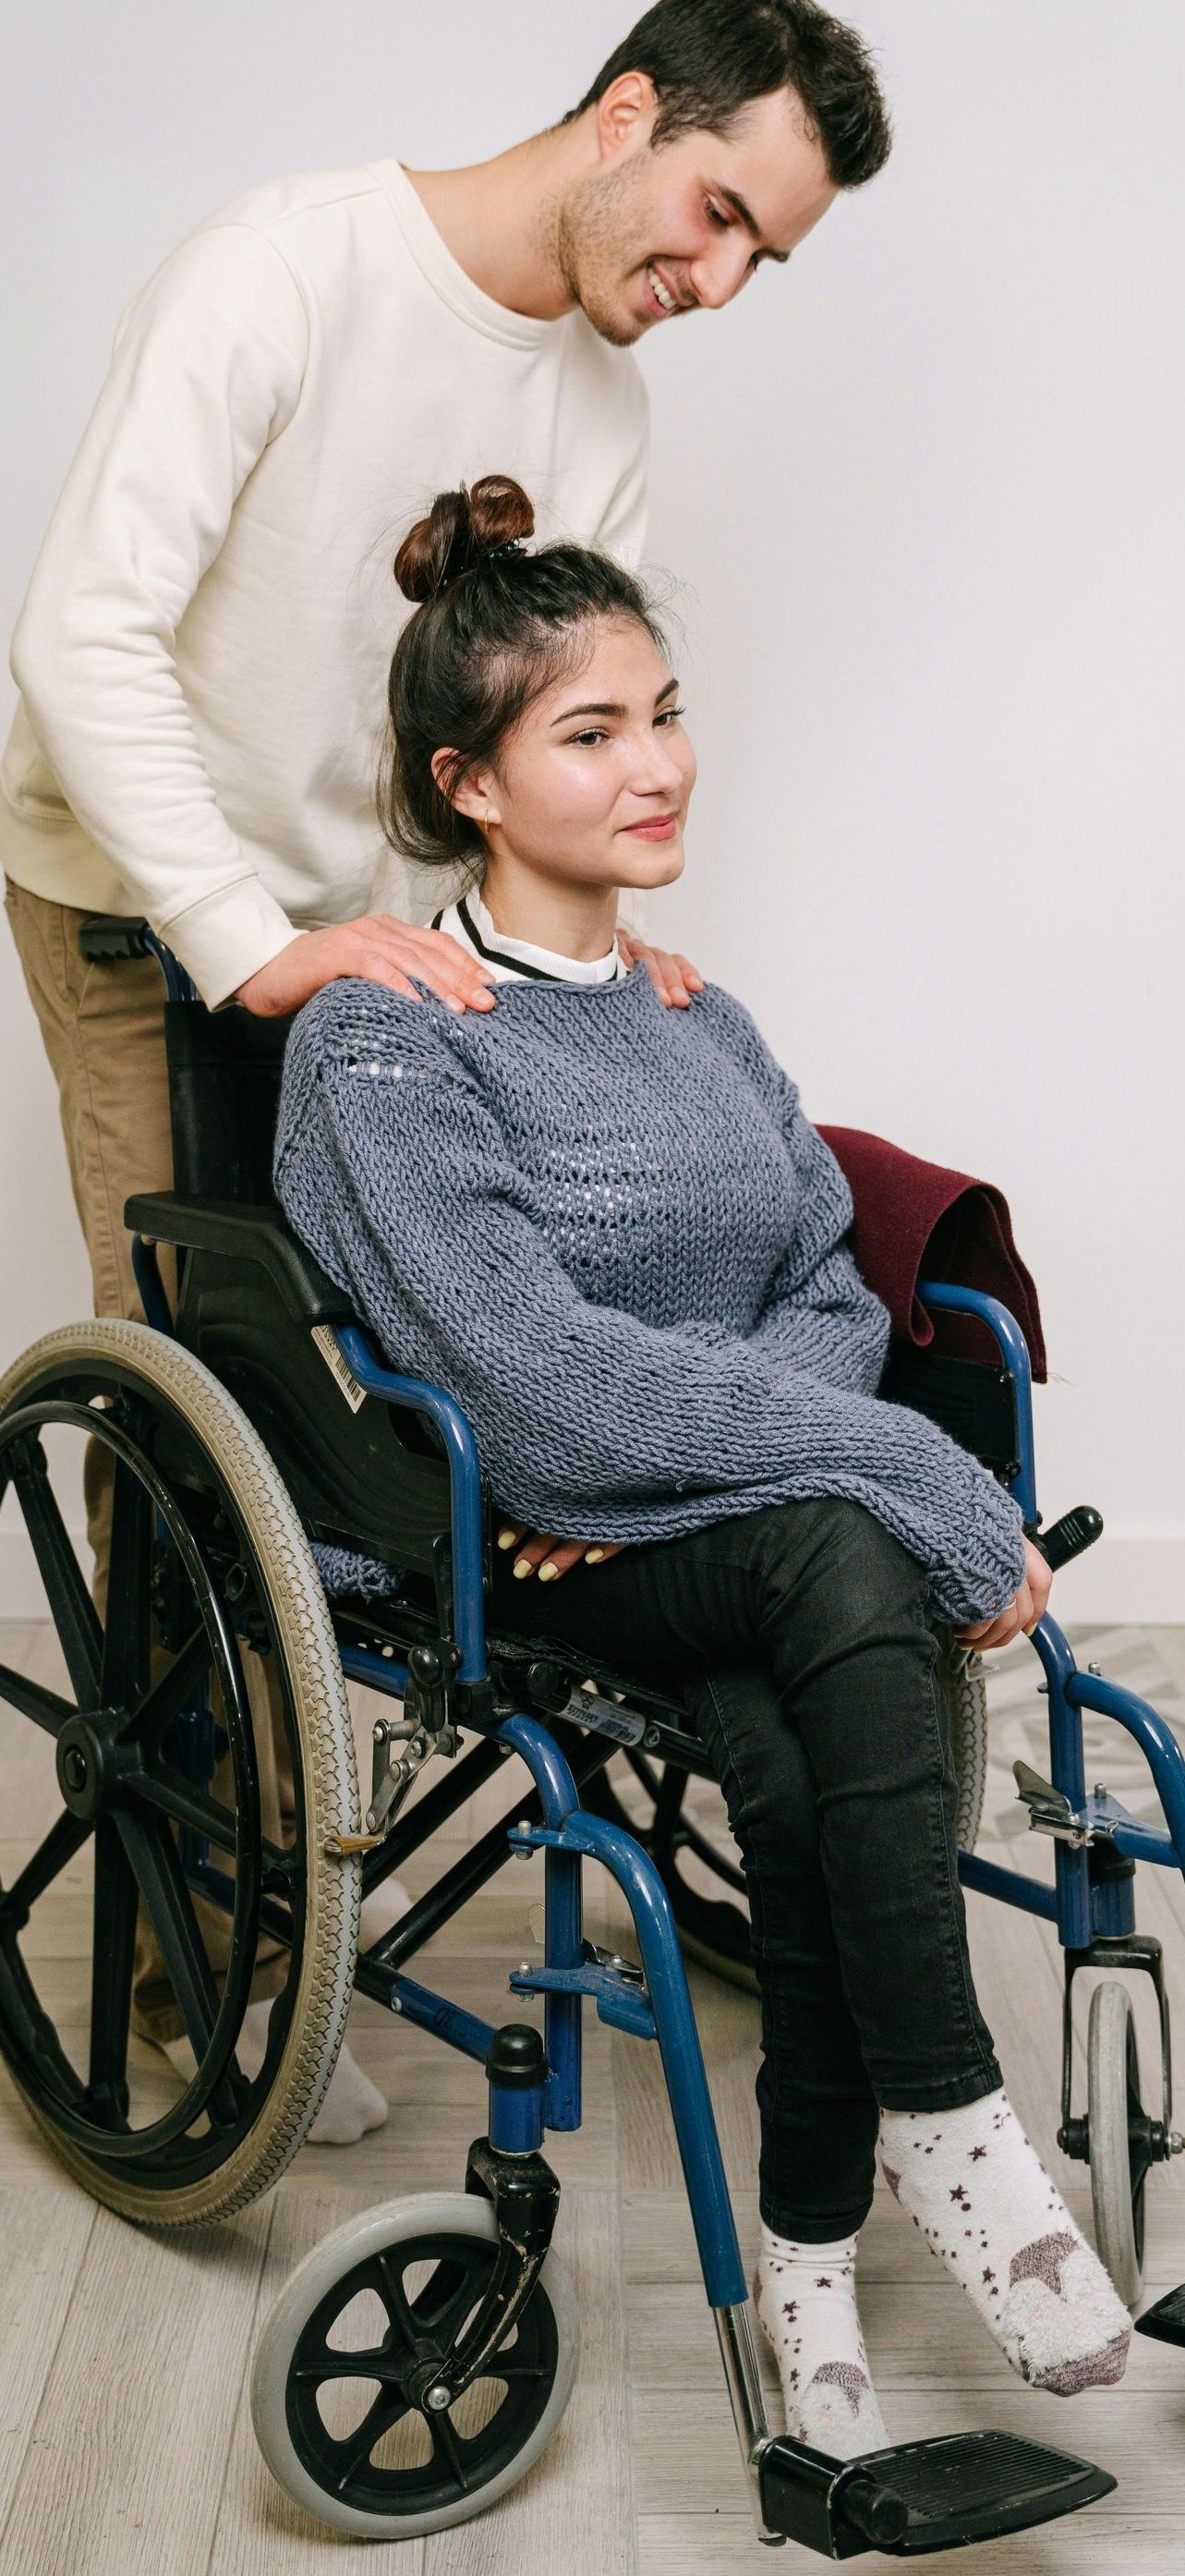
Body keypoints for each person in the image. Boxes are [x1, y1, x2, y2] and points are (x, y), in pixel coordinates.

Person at [2, 0, 890, 2134]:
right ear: (619, 116)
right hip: (146, 894)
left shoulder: (600, 406)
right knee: (215, 1413)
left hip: (388, 946)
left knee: (434, 1381)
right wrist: (252, 941)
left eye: (762, 256)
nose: (716, 282)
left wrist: (579, 958)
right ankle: (196, 1970)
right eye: (712, 217)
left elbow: (528, 733)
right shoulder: (283, 270)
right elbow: (80, 637)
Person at [273, 474, 1132, 2460]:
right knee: (850, 1538)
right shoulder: (391, 1044)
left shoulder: (702, 1014)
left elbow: (823, 1287)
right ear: (466, 780)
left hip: (686, 1535)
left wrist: (692, 1447)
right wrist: (920, 1490)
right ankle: (949, 2118)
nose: (658, 764)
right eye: (592, 730)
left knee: (793, 1683)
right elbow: (538, 1380)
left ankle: (817, 2262)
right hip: (540, 1546)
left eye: (664, 713)